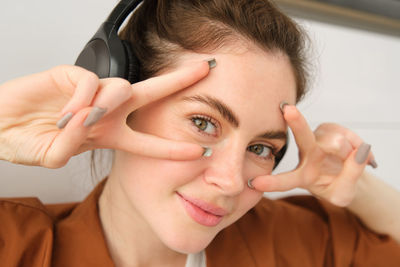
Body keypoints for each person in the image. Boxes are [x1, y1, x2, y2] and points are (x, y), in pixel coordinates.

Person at [0, 0, 399, 266]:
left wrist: (352, 180)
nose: (229, 182)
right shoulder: (17, 246)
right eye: (203, 123)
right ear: (121, 96)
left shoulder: (287, 243)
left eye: (261, 147)